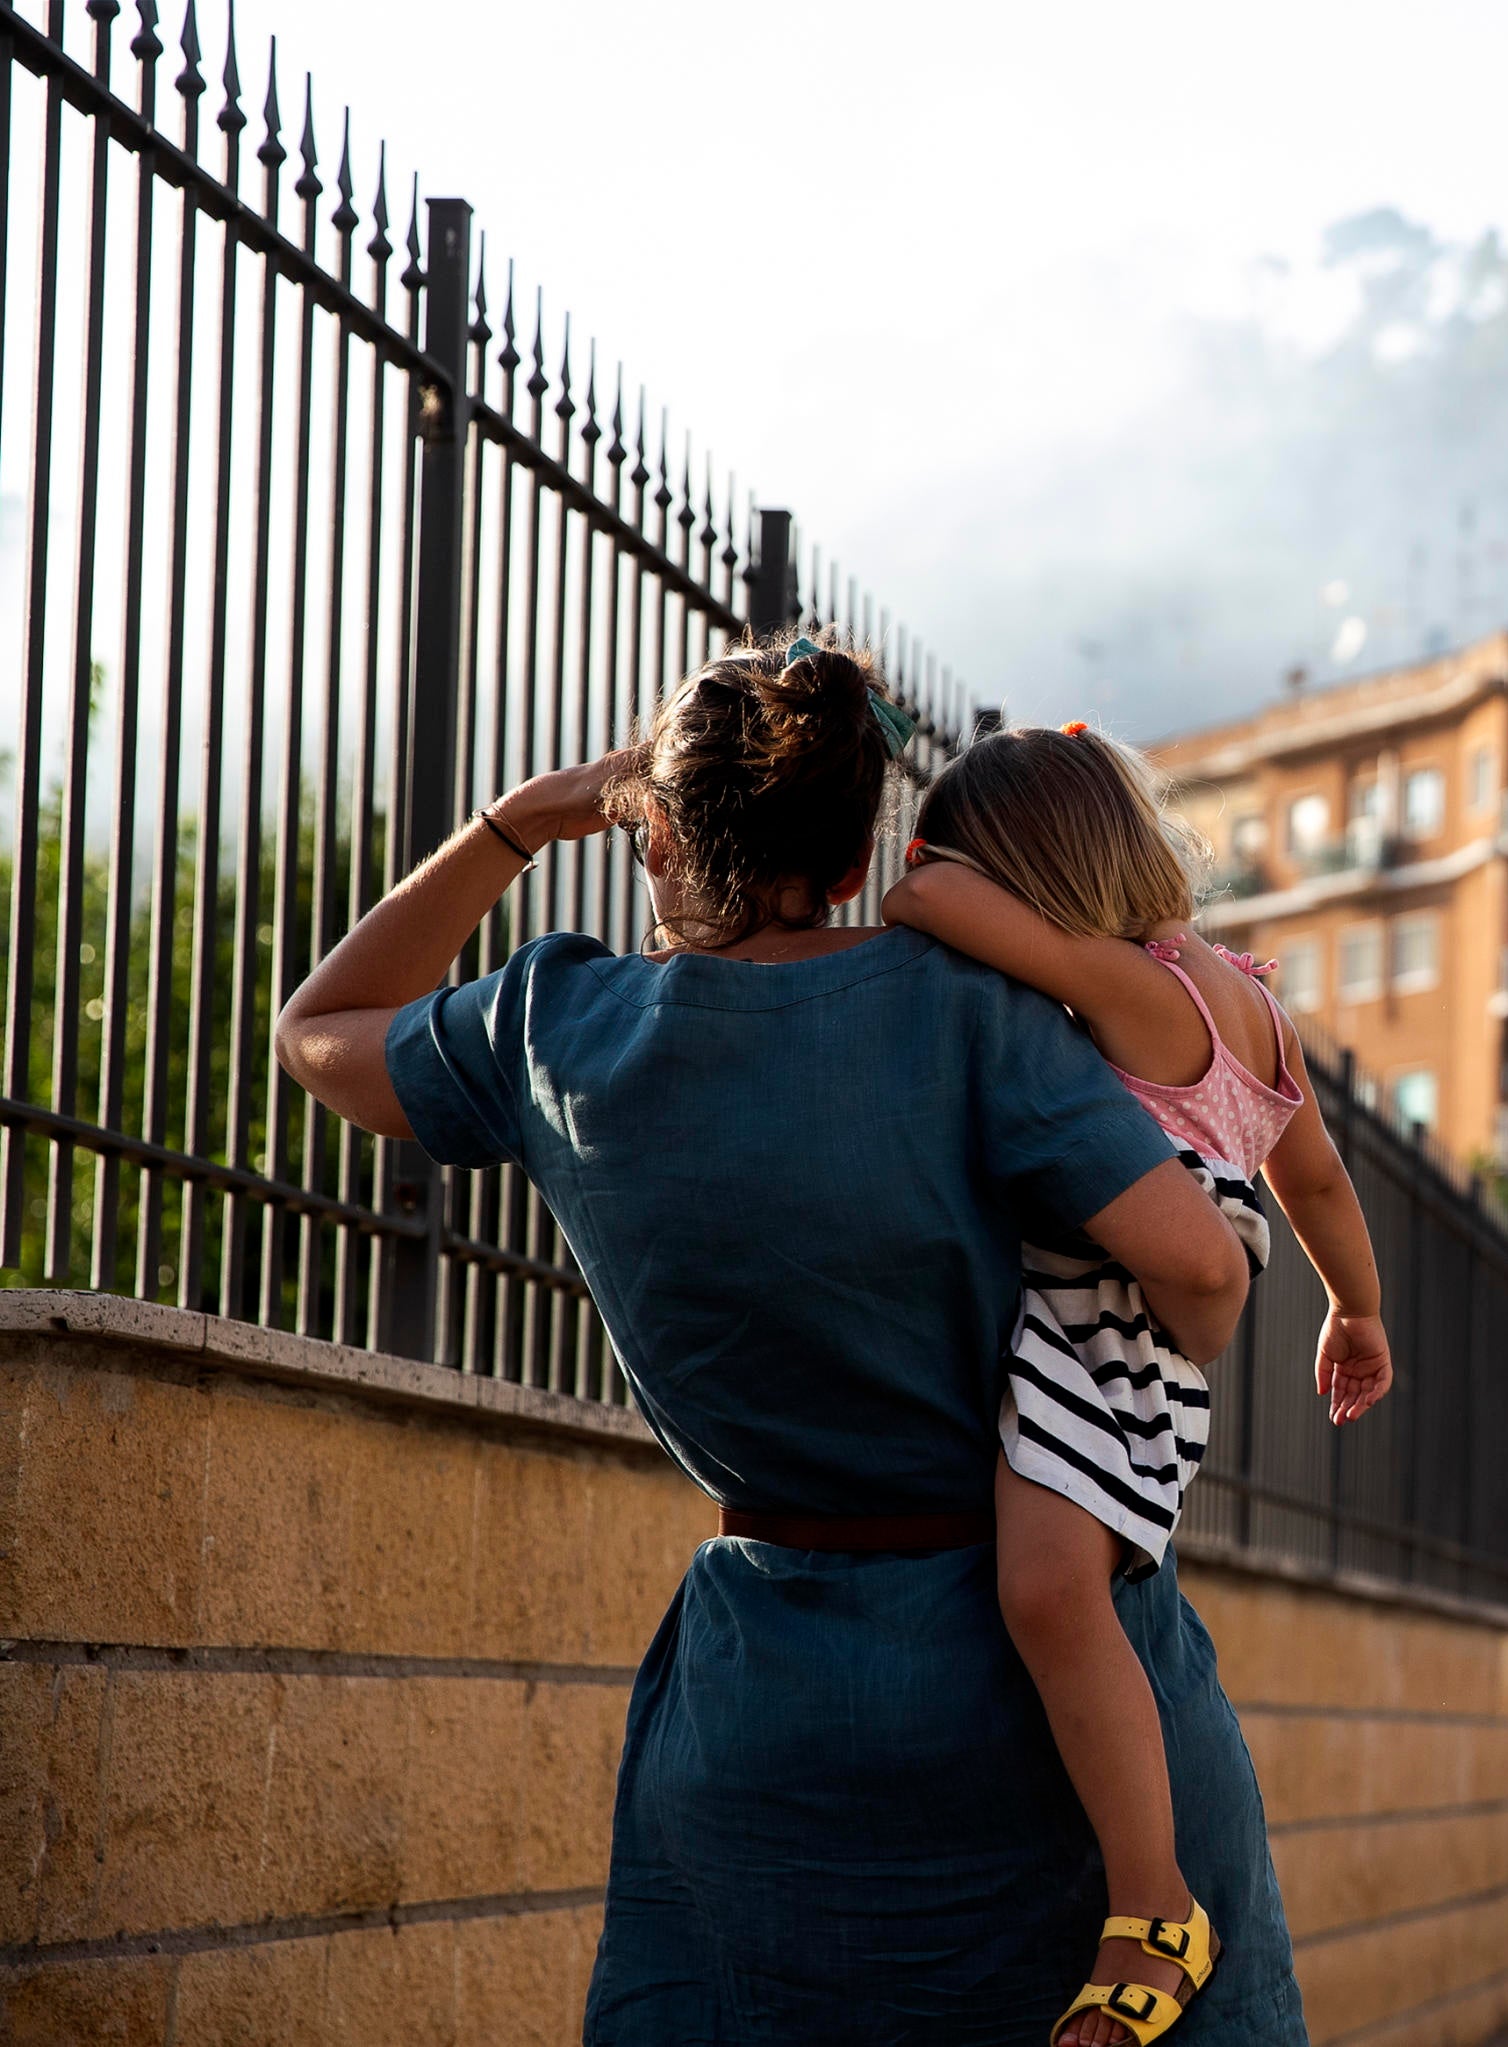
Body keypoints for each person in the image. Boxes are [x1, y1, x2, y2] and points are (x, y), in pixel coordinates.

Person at [273, 634, 1308, 2045]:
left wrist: (518, 818)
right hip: (1060, 1686)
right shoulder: (974, 1008)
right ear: (847, 854)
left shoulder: (558, 1026)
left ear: (657, 825)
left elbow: (321, 1026)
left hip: (777, 1710)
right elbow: (1201, 1275)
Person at [879, 721, 1392, 2045]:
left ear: (1033, 869)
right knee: (1061, 1584)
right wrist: (1359, 1302)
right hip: (1140, 1335)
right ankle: (1148, 1887)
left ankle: (1153, 1901)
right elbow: (1319, 1174)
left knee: (1047, 1586)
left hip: (1101, 1323)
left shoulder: (1124, 985)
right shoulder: (1248, 1000)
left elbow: (917, 896)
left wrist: (931, 849)